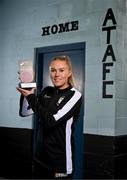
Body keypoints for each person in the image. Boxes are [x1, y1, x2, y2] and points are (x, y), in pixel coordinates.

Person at [16, 55, 82, 179]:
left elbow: (50, 121)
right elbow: (25, 112)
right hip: (40, 158)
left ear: (69, 72)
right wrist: (27, 90)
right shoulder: (47, 91)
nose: (56, 74)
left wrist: (31, 97)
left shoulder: (74, 95)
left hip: (59, 162)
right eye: (53, 70)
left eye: (61, 70)